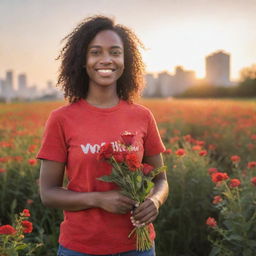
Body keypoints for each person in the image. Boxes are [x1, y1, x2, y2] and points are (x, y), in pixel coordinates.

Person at [37, 15, 169, 256]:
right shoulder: (61, 119)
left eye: (115, 52)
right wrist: (98, 199)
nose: (106, 60)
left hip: (138, 248)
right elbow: (48, 193)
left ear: (125, 60)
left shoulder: (142, 116)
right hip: (80, 248)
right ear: (82, 60)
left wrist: (155, 201)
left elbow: (161, 180)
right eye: (95, 52)